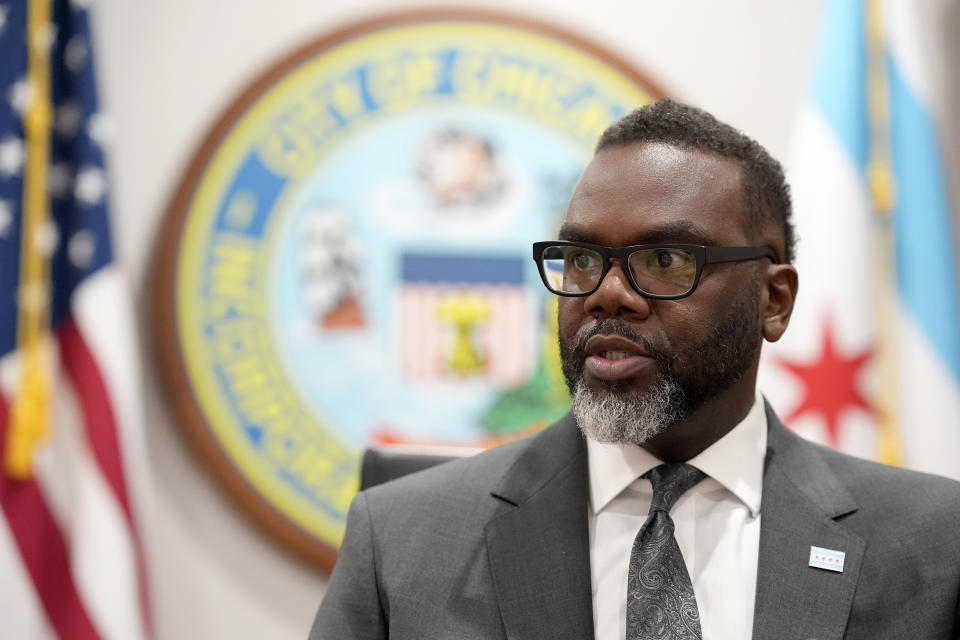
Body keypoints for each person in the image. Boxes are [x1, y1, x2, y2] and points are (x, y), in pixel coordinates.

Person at [309, 99, 960, 639]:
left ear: (774, 299)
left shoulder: (935, 542)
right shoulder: (400, 542)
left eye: (666, 260)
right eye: (582, 258)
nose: (606, 294)